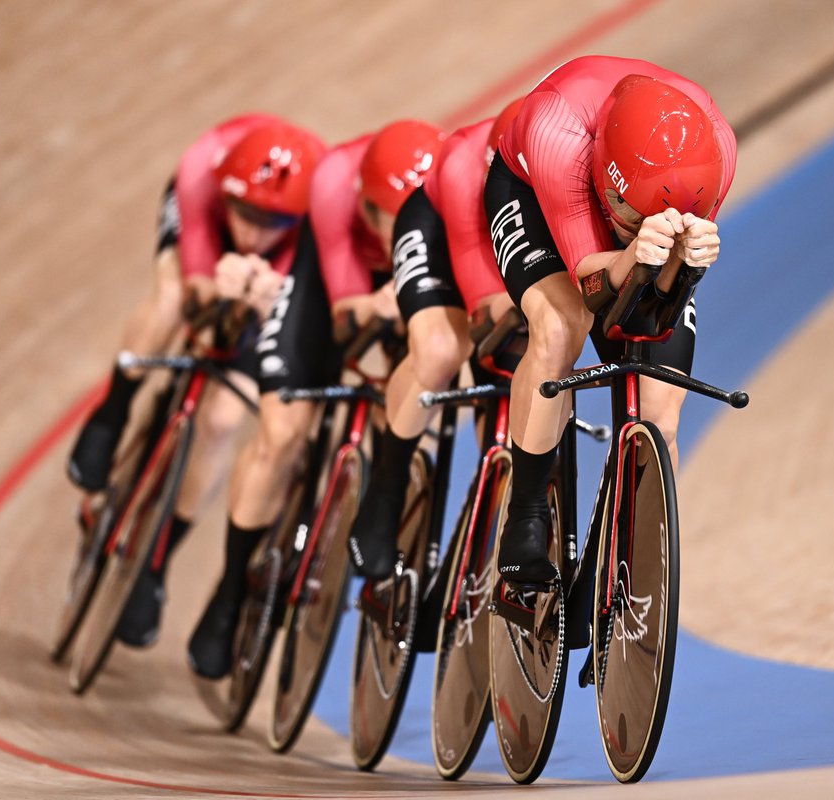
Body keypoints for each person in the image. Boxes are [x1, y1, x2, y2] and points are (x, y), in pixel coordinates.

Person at [186, 117, 447, 677]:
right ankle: (230, 591)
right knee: (281, 435)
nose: (395, 238)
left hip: (405, 285)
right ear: (366, 206)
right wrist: (378, 306)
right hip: (326, 284)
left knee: (413, 400)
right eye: (387, 224)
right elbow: (347, 317)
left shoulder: (438, 207)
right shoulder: (334, 185)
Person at [65, 114, 327, 649]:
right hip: (198, 228)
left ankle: (156, 560)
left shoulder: (314, 222)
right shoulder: (201, 174)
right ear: (227, 193)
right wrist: (213, 294)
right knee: (169, 302)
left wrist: (259, 304)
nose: (253, 232)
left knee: (223, 418)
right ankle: (114, 410)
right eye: (245, 214)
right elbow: (196, 289)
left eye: (269, 221)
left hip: (281, 264)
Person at [483, 55, 737, 585]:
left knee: (661, 411)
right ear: (610, 185)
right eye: (631, 216)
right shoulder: (560, 134)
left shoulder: (717, 148)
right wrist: (630, 254)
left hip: (636, 200)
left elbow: (658, 304)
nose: (634, 228)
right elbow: (590, 285)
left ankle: (636, 578)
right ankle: (526, 514)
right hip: (536, 193)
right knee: (559, 327)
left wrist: (685, 262)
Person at [347, 100, 523, 580]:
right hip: (446, 229)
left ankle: (476, 541)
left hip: (511, 237)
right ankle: (385, 492)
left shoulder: (566, 177)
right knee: (443, 348)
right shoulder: (466, 163)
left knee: (528, 378)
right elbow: (478, 291)